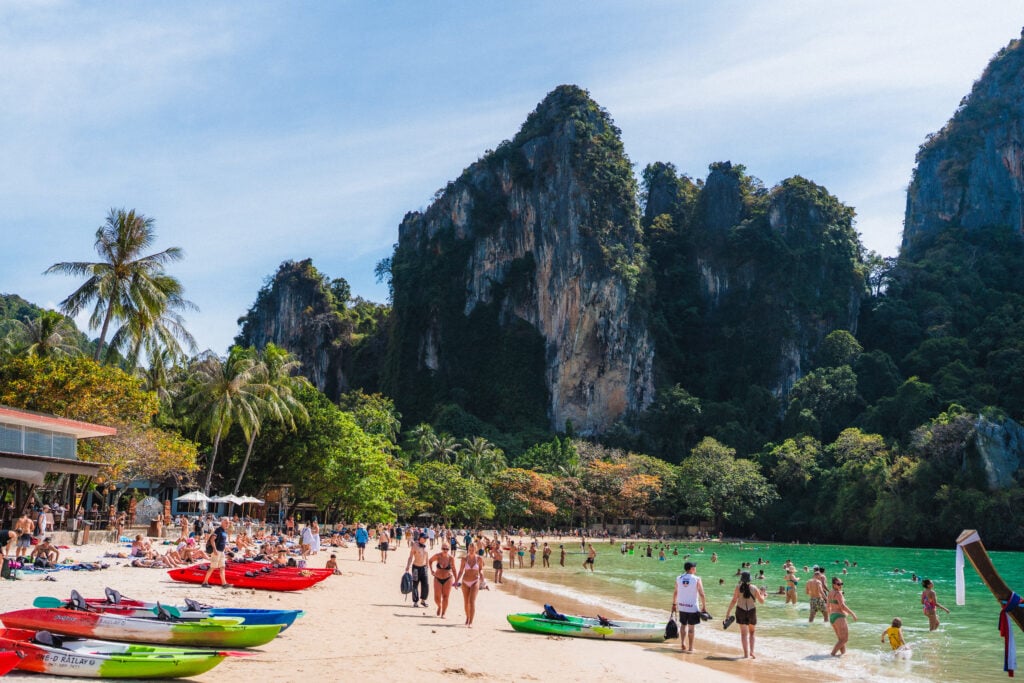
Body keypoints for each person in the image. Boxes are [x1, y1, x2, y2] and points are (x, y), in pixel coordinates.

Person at [724, 571, 766, 659]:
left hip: (740, 611)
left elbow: (734, 600)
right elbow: (761, 601)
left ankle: (746, 654)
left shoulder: (738, 587)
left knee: (743, 634)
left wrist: (728, 613)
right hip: (751, 611)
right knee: (752, 632)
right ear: (750, 579)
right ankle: (752, 652)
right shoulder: (754, 588)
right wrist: (763, 594)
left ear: (742, 579)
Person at [672, 561, 707, 653]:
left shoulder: (679, 578)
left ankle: (682, 643)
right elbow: (702, 594)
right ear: (691, 569)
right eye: (695, 567)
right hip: (692, 607)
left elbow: (675, 592)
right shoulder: (697, 579)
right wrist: (704, 606)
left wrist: (674, 604)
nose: (695, 568)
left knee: (683, 625)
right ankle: (691, 647)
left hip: (681, 606)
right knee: (691, 628)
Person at [454, 542, 483, 627]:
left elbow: (481, 569)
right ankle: (467, 617)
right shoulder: (464, 559)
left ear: (476, 549)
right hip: (465, 582)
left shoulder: (479, 559)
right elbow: (461, 571)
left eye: (473, 549)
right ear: (468, 549)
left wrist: (482, 575)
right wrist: (456, 581)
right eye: (470, 549)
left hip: (475, 581)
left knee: (471, 601)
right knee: (466, 602)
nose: (471, 551)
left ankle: (471, 622)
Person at [827, 577, 857, 656]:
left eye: (841, 584)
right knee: (844, 639)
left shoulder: (830, 592)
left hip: (832, 617)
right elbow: (842, 606)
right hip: (839, 617)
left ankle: (842, 655)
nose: (840, 585)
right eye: (838, 584)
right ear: (834, 585)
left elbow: (828, 606)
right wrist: (852, 613)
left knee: (840, 639)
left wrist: (831, 615)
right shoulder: (838, 593)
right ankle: (832, 654)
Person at [201, 518, 230, 588]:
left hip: (222, 552)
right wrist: (214, 549)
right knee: (212, 567)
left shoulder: (224, 531)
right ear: (222, 523)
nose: (227, 524)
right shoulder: (218, 530)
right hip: (216, 552)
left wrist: (226, 548)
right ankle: (205, 582)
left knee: (222, 567)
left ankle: (224, 583)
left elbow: (222, 541)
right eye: (226, 522)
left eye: (228, 523)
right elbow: (212, 540)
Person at [429, 543, 456, 617]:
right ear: (441, 549)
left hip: (448, 578)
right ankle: (439, 606)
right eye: (444, 548)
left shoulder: (451, 558)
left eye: (447, 549)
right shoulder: (438, 556)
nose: (445, 550)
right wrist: (431, 570)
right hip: (437, 578)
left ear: (449, 550)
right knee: (436, 597)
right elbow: (430, 561)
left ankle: (443, 613)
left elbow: (454, 569)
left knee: (445, 596)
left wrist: (456, 580)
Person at [405, 534, 430, 608]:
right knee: (415, 584)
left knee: (426, 584)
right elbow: (410, 557)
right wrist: (408, 566)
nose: (425, 540)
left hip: (424, 567)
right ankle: (415, 601)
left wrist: (427, 566)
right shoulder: (415, 545)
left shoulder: (426, 546)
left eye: (426, 538)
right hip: (416, 568)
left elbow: (427, 557)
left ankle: (423, 600)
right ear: (420, 538)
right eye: (424, 538)